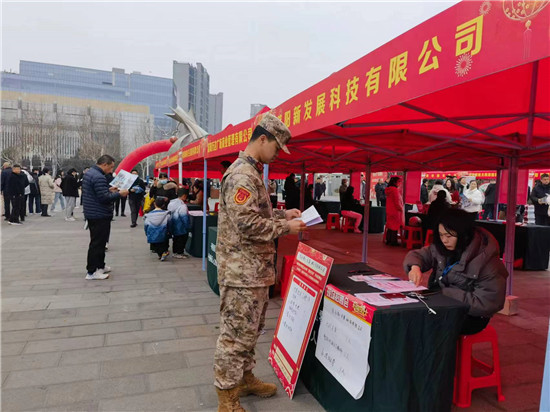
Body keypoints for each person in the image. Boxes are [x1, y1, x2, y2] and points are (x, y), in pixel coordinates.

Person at [213, 112, 305, 411]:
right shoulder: (242, 175)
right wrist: (285, 228)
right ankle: (227, 397)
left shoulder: (251, 173)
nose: (277, 155)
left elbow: (256, 215)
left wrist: (281, 215)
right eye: (276, 148)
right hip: (242, 274)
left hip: (253, 272)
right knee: (234, 336)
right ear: (261, 138)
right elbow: (247, 225)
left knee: (250, 332)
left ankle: (244, 377)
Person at [405, 209, 508, 335]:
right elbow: (419, 255)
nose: (444, 240)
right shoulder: (442, 248)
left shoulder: (487, 262)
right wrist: (415, 266)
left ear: (463, 234)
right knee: (408, 315)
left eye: (449, 236)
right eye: (441, 235)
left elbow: (487, 303)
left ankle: (438, 355)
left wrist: (447, 294)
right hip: (441, 303)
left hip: (471, 316)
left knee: (427, 325)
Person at [82, 155, 128, 280]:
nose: (112, 170)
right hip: (98, 214)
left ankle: (100, 265)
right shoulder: (98, 177)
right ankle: (92, 271)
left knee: (100, 242)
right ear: (104, 164)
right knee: (97, 243)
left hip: (94, 213)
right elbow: (104, 198)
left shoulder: (90, 173)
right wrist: (119, 193)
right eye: (111, 167)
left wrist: (109, 189)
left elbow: (98, 193)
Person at [144, 196, 171, 261]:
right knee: (163, 243)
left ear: (154, 204)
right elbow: (169, 225)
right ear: (163, 205)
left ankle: (160, 254)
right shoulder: (167, 214)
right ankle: (164, 252)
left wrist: (147, 233)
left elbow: (146, 226)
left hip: (152, 234)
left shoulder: (148, 215)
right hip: (163, 234)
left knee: (156, 245)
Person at [168, 188, 191, 259]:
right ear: (184, 196)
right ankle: (179, 253)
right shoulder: (182, 206)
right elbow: (184, 218)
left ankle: (175, 252)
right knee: (182, 240)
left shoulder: (171, 203)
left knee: (176, 239)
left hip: (173, 225)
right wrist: (188, 226)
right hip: (181, 227)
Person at [385, 176, 404, 246]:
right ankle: (393, 241)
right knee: (395, 226)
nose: (400, 183)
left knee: (390, 226)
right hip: (395, 210)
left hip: (389, 210)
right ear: (395, 182)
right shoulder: (395, 190)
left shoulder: (388, 190)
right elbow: (397, 201)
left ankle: (388, 240)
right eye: (399, 182)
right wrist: (400, 208)